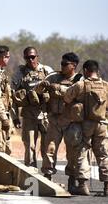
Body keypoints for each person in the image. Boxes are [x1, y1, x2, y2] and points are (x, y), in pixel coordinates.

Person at [36, 52, 83, 192]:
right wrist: (42, 85)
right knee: (49, 149)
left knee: (72, 152)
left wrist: (58, 89)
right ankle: (47, 177)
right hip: (54, 119)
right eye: (61, 63)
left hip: (71, 121)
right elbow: (37, 90)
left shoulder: (80, 79)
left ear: (73, 66)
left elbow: (76, 93)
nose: (61, 66)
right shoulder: (53, 76)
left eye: (65, 64)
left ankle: (72, 180)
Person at [63, 60, 108, 196]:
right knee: (103, 154)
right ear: (97, 71)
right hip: (102, 124)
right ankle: (107, 187)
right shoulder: (106, 86)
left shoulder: (80, 85)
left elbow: (66, 98)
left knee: (82, 152)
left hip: (85, 124)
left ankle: (82, 185)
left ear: (85, 71)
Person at [11, 47, 54, 167]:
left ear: (37, 56)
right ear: (24, 58)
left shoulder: (47, 71)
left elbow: (56, 92)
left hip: (46, 115)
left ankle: (48, 176)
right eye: (27, 57)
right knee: (30, 147)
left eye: (33, 57)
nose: (30, 60)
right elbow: (13, 97)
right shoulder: (20, 74)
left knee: (48, 148)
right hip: (29, 116)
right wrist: (15, 118)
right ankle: (31, 178)